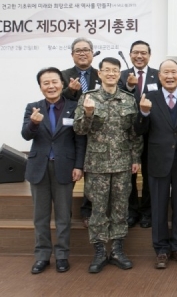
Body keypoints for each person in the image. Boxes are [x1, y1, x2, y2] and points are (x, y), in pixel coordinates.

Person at [74, 57, 143, 274]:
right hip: (97, 165)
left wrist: (135, 158)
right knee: (98, 210)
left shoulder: (128, 99)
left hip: (123, 164)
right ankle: (99, 251)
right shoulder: (88, 98)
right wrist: (87, 114)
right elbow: (79, 130)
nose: (111, 74)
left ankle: (117, 250)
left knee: (120, 209)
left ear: (119, 74)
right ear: (100, 73)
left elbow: (135, 134)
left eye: (115, 70)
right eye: (107, 70)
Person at [134, 60, 177, 269]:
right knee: (159, 207)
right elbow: (139, 131)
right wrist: (143, 113)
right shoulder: (148, 99)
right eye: (165, 72)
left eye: (173, 72)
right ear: (159, 76)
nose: (169, 76)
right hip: (157, 160)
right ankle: (161, 250)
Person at [22, 67, 85, 274]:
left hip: (65, 168)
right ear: (40, 87)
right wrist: (33, 124)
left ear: (62, 84)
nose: (51, 86)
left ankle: (61, 256)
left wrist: (78, 165)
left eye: (54, 82)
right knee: (40, 216)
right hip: (39, 167)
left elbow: (79, 140)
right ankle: (42, 256)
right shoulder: (33, 108)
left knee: (63, 216)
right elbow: (26, 136)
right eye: (46, 83)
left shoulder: (74, 107)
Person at [118, 40, 161, 229]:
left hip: (152, 133)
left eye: (143, 53)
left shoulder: (158, 76)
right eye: (136, 52)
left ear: (149, 56)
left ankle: (147, 212)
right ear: (130, 55)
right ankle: (132, 211)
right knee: (130, 176)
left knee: (151, 174)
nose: (139, 56)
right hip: (129, 135)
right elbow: (116, 98)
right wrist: (129, 87)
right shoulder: (120, 76)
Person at [61, 37, 101, 228]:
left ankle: (88, 210)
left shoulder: (100, 74)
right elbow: (57, 100)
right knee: (72, 170)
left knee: (93, 173)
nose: (83, 53)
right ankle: (64, 215)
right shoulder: (63, 75)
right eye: (78, 50)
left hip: (96, 131)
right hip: (71, 130)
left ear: (92, 53)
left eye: (86, 50)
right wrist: (70, 91)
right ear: (72, 55)